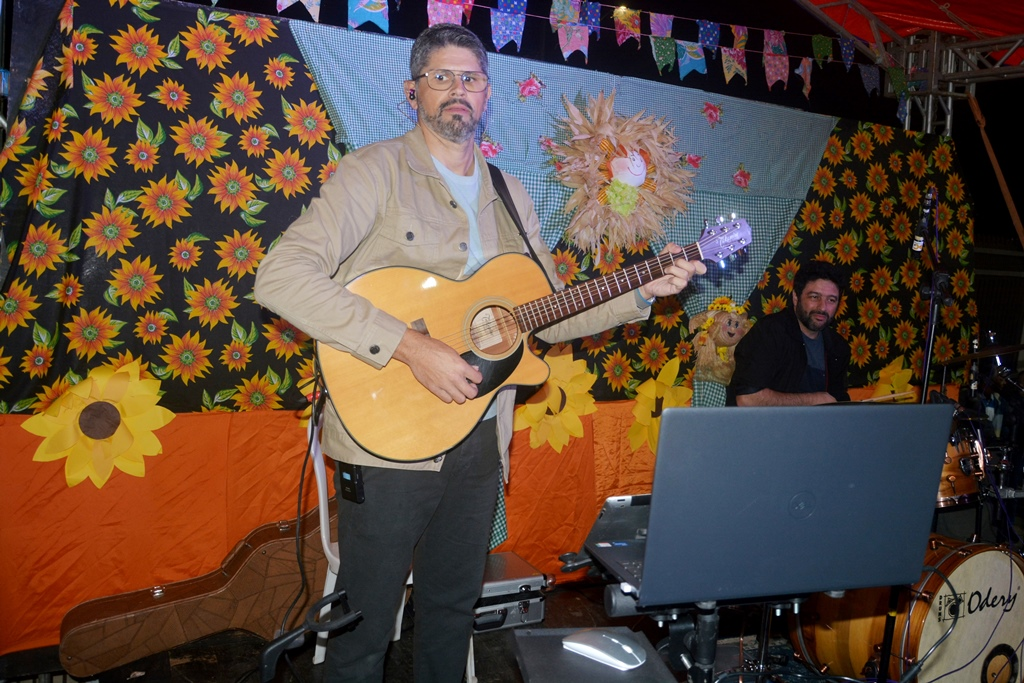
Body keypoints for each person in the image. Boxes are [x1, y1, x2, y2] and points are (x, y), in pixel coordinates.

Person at [253, 24, 706, 683]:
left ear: (487, 92)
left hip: (480, 436)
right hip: (387, 441)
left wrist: (643, 289)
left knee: (450, 611)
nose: (457, 89)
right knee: (363, 630)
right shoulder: (374, 172)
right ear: (413, 90)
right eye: (441, 76)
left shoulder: (510, 195)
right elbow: (279, 277)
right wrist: (411, 347)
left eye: (470, 77)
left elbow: (549, 314)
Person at [727, 260, 850, 406]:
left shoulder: (838, 347)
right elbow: (746, 399)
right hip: (768, 421)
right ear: (796, 297)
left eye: (831, 300)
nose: (822, 307)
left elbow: (838, 402)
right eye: (814, 297)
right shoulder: (769, 332)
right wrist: (812, 400)